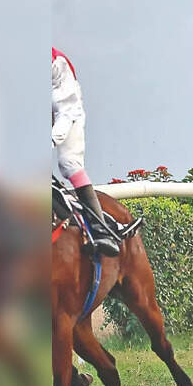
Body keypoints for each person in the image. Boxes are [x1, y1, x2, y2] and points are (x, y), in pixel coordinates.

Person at [52, 47, 121, 257]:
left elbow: (65, 112)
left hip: (67, 112)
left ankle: (102, 230)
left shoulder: (56, 62)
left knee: (69, 164)